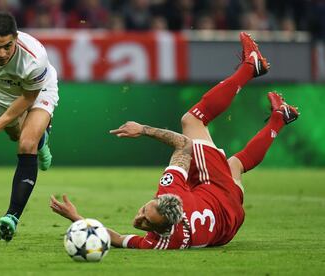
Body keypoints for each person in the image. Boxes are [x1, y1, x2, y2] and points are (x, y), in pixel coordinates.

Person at [49, 32, 299, 249]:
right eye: (147, 220)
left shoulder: (160, 242)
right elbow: (184, 145)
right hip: (216, 194)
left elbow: (115, 238)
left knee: (233, 164)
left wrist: (76, 218)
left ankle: (279, 116)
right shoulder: (171, 194)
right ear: (169, 225)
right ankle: (250, 67)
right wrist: (143, 129)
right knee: (191, 121)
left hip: (230, 222)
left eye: (144, 217)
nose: (140, 220)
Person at [0, 11, 59, 242]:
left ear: (16, 37)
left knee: (26, 144)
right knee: (16, 135)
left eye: (7, 46)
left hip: (36, 91)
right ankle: (42, 138)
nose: (1, 53)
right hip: (2, 92)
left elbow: (27, 98)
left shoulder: (35, 59)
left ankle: (12, 217)